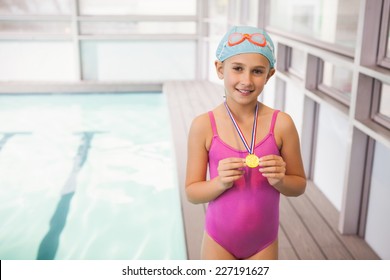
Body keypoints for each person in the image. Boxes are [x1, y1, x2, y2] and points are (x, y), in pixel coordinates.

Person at [185, 26, 306, 260]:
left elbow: (299, 185)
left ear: (269, 75)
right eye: (238, 69)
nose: (246, 80)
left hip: (263, 244)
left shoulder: (281, 124)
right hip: (218, 242)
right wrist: (219, 183)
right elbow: (192, 193)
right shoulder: (203, 126)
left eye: (257, 71)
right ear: (220, 69)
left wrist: (281, 181)